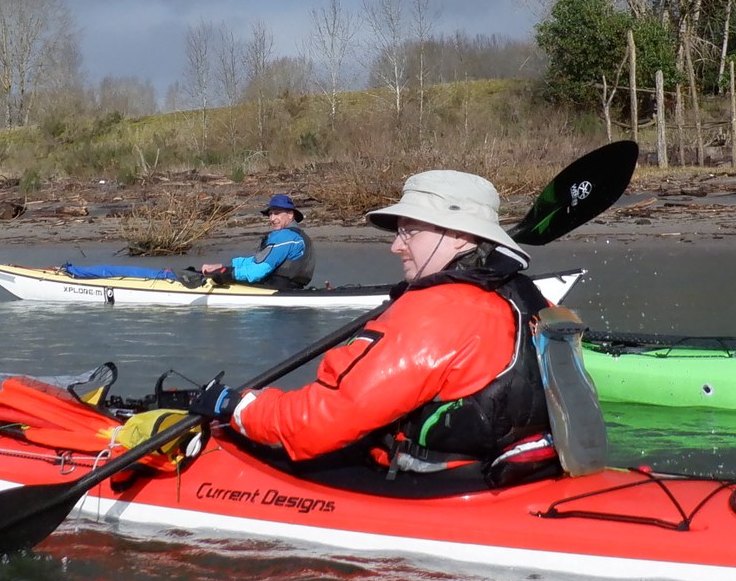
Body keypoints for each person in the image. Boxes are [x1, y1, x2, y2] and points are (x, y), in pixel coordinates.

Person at [188, 170, 558, 476]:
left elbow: (318, 423)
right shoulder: (526, 297)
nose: (396, 246)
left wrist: (236, 406)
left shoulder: (437, 311)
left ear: (460, 237)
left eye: (409, 231)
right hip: (516, 471)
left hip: (439, 485)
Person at [198, 193, 316, 289]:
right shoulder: (298, 236)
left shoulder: (285, 237)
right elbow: (256, 260)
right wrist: (223, 266)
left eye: (277, 213)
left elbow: (259, 270)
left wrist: (228, 274)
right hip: (291, 289)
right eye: (270, 214)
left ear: (290, 215)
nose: (272, 219)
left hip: (277, 289)